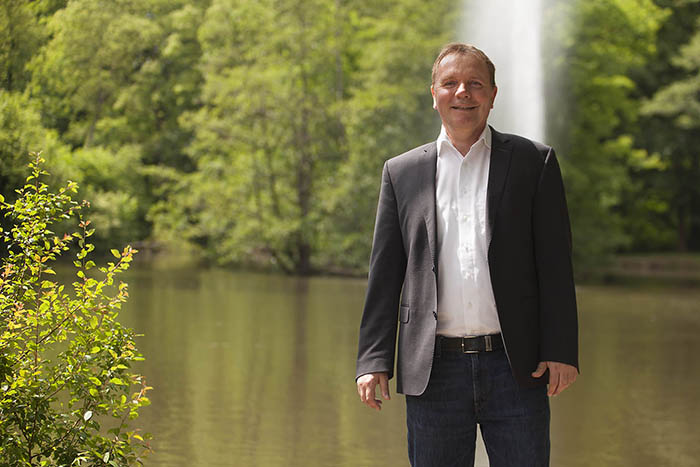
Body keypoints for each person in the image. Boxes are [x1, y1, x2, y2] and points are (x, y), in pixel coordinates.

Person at [355, 43, 579, 467]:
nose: (463, 92)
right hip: (433, 370)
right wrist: (373, 359)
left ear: (493, 95)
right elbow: (385, 274)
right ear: (434, 94)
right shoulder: (402, 172)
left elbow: (555, 265)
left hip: (517, 368)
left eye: (475, 84)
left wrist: (562, 348)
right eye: (451, 83)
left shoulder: (535, 162)